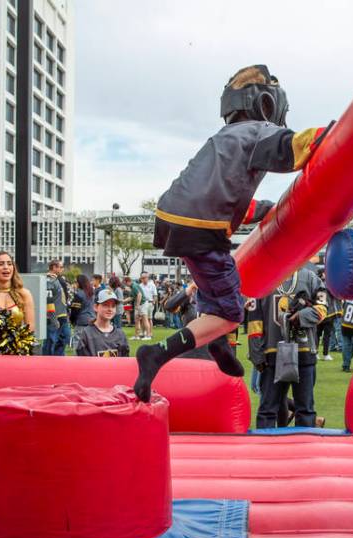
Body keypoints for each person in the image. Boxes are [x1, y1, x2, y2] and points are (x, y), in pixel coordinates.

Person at [134, 64, 330, 401]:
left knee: (214, 291)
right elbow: (295, 147)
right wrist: (336, 134)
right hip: (202, 226)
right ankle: (157, 353)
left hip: (176, 217)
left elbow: (223, 195)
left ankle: (217, 343)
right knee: (230, 313)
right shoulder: (258, 132)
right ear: (268, 103)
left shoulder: (224, 138)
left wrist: (267, 208)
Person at [248, 268, 327, 428]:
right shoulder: (261, 280)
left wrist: (302, 316)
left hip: (304, 352)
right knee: (267, 410)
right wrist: (256, 354)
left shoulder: (311, 278)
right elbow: (254, 321)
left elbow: (324, 308)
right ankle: (264, 451)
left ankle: (303, 450)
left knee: (305, 409)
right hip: (271, 356)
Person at [74, 289, 130, 358]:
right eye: (105, 305)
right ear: (96, 307)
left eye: (113, 306)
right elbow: (82, 363)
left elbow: (124, 363)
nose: (110, 309)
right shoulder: (87, 334)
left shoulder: (120, 335)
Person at [42, 259, 70, 356]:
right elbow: (48, 301)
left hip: (62, 315)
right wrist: (53, 319)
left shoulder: (56, 279)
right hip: (54, 316)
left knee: (65, 338)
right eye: (61, 267)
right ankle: (47, 362)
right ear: (54, 267)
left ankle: (58, 360)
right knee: (50, 342)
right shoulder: (49, 280)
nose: (62, 269)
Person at [70, 274, 96, 339]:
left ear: (80, 283)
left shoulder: (79, 294)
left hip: (82, 322)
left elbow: (75, 310)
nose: (75, 284)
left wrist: (72, 321)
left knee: (79, 345)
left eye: (76, 282)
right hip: (92, 320)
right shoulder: (91, 293)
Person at [136, 272, 157, 340]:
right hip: (143, 303)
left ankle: (150, 333)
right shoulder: (140, 285)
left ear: (147, 278)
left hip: (150, 303)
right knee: (142, 319)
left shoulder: (152, 285)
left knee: (149, 319)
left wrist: (153, 302)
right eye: (142, 278)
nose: (143, 279)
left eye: (144, 278)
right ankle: (143, 332)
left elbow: (155, 295)